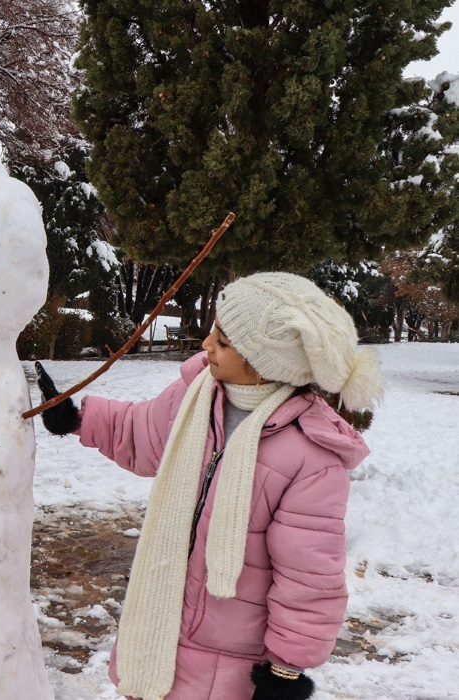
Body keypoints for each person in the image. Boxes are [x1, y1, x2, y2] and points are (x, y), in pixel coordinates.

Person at [36, 272, 384, 700]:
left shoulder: (311, 459)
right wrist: (75, 418)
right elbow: (141, 430)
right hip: (160, 629)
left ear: (261, 363)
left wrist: (286, 670)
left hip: (232, 660)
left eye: (221, 342)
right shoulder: (198, 396)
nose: (206, 346)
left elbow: (309, 577)